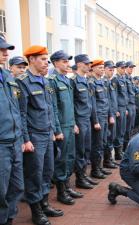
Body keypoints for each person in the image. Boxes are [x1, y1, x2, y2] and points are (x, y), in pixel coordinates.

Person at [17, 45, 62, 225]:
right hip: (34, 136)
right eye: (43, 59)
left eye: (47, 59)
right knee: (34, 174)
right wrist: (26, 139)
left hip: (46, 133)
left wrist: (52, 130)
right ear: (32, 59)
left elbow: (50, 109)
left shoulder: (46, 81)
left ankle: (44, 204)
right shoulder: (23, 81)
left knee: (47, 171)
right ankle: (36, 211)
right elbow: (21, 114)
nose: (47, 63)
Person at [48, 50, 83, 205]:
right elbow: (53, 108)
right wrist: (57, 130)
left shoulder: (67, 80)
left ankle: (67, 186)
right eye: (64, 61)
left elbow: (70, 105)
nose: (67, 64)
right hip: (61, 127)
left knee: (70, 157)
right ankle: (61, 192)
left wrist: (74, 123)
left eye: (68, 61)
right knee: (61, 160)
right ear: (55, 63)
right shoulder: (52, 80)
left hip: (69, 124)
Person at [0, 35, 24, 225]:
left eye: (6, 50)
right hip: (1, 145)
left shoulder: (8, 77)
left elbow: (17, 110)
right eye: (1, 50)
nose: (6, 53)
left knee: (17, 187)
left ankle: (9, 219)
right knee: (0, 191)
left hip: (15, 141)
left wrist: (22, 138)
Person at [71, 54, 99, 189]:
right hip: (79, 120)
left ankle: (84, 175)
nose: (89, 66)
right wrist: (74, 123)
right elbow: (70, 104)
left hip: (87, 119)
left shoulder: (87, 81)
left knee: (87, 149)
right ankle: (79, 178)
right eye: (87, 64)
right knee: (80, 150)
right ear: (79, 64)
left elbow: (91, 102)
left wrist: (94, 120)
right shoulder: (73, 81)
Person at [88, 59, 114, 179]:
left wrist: (110, 115)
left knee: (103, 143)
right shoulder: (91, 82)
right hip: (98, 117)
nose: (102, 70)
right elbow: (92, 104)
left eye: (103, 68)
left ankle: (100, 167)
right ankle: (95, 169)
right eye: (100, 68)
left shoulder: (102, 82)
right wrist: (95, 121)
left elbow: (106, 101)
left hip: (104, 116)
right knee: (97, 145)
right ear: (92, 68)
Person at [103, 60, 118, 169]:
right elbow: (106, 101)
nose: (111, 72)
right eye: (110, 70)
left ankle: (109, 159)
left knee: (111, 137)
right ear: (105, 69)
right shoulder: (104, 82)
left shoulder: (110, 82)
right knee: (108, 138)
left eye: (113, 70)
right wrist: (110, 115)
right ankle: (107, 161)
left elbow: (113, 100)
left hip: (112, 113)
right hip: (108, 115)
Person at [112, 61, 129, 160]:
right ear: (117, 68)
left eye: (124, 68)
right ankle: (118, 153)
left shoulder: (123, 79)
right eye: (122, 68)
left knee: (122, 130)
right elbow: (115, 96)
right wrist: (117, 109)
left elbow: (125, 95)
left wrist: (125, 108)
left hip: (124, 107)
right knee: (119, 131)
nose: (124, 69)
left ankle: (121, 151)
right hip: (119, 108)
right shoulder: (115, 79)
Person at [124, 61, 137, 151]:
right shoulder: (124, 78)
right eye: (130, 67)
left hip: (132, 105)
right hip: (127, 105)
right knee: (126, 128)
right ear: (126, 68)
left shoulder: (130, 78)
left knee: (131, 127)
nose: (131, 69)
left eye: (132, 68)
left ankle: (128, 145)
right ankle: (124, 148)